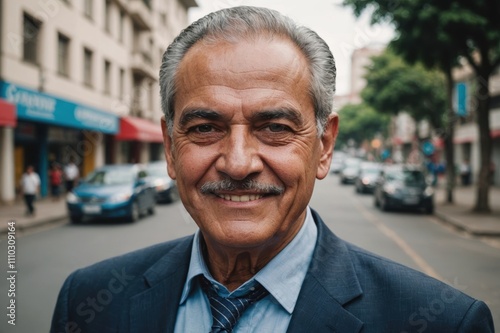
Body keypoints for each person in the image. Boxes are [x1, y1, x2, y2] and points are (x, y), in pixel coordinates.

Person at [51, 6, 494, 333]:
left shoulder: (444, 322)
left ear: (324, 146)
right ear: (169, 146)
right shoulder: (88, 301)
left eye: (276, 128)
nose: (239, 163)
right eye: (205, 128)